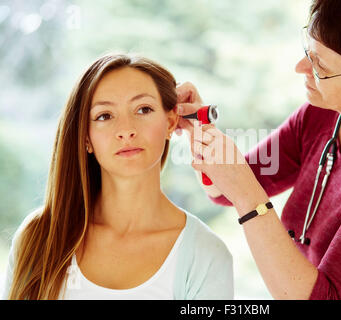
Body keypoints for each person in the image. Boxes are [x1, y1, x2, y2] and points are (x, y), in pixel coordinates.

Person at [175, 0, 341, 299]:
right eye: (309, 51)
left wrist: (246, 195)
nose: (300, 68)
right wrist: (200, 128)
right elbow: (224, 189)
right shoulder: (325, 111)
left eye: (320, 66)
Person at [2, 54, 233, 300]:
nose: (126, 130)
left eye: (143, 109)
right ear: (86, 138)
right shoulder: (38, 237)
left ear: (170, 122)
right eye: (104, 116)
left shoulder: (206, 255)